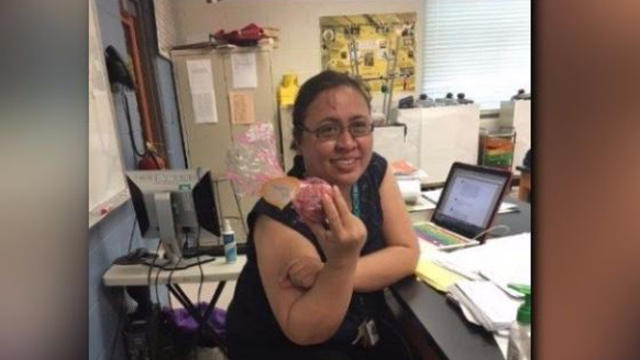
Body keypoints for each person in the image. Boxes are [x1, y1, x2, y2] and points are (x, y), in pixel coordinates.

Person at [226, 70, 419, 359]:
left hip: (365, 333)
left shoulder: (374, 171)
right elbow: (306, 330)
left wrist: (329, 275)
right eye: (328, 129)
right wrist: (339, 264)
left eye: (359, 126)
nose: (347, 143)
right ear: (299, 140)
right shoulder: (279, 212)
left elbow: (406, 252)